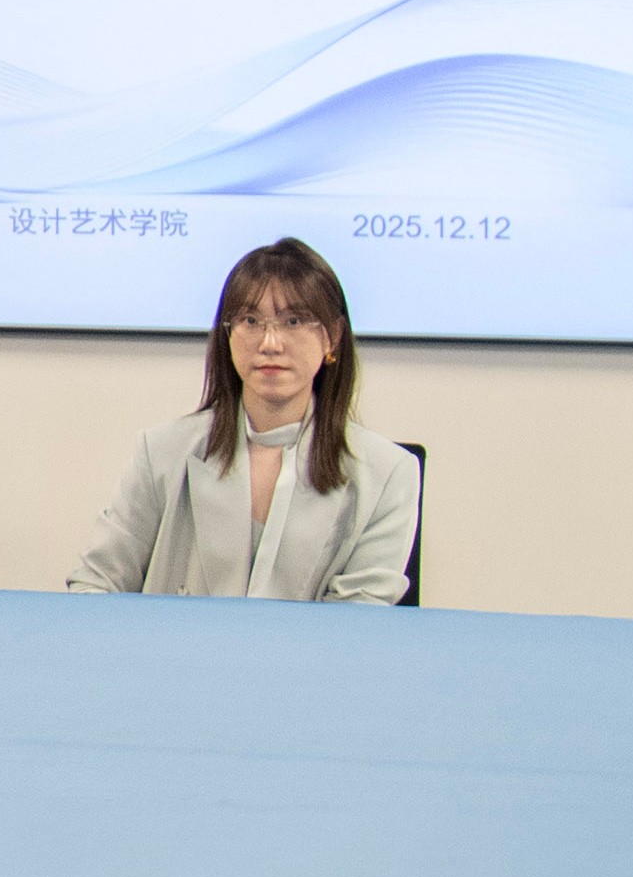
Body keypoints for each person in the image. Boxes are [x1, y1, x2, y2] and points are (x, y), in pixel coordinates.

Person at [70, 238, 420, 603]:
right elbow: (95, 584)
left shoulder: (388, 473)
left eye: (293, 321)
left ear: (332, 337)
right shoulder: (161, 452)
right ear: (227, 334)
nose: (270, 343)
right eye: (251, 321)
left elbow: (359, 622)